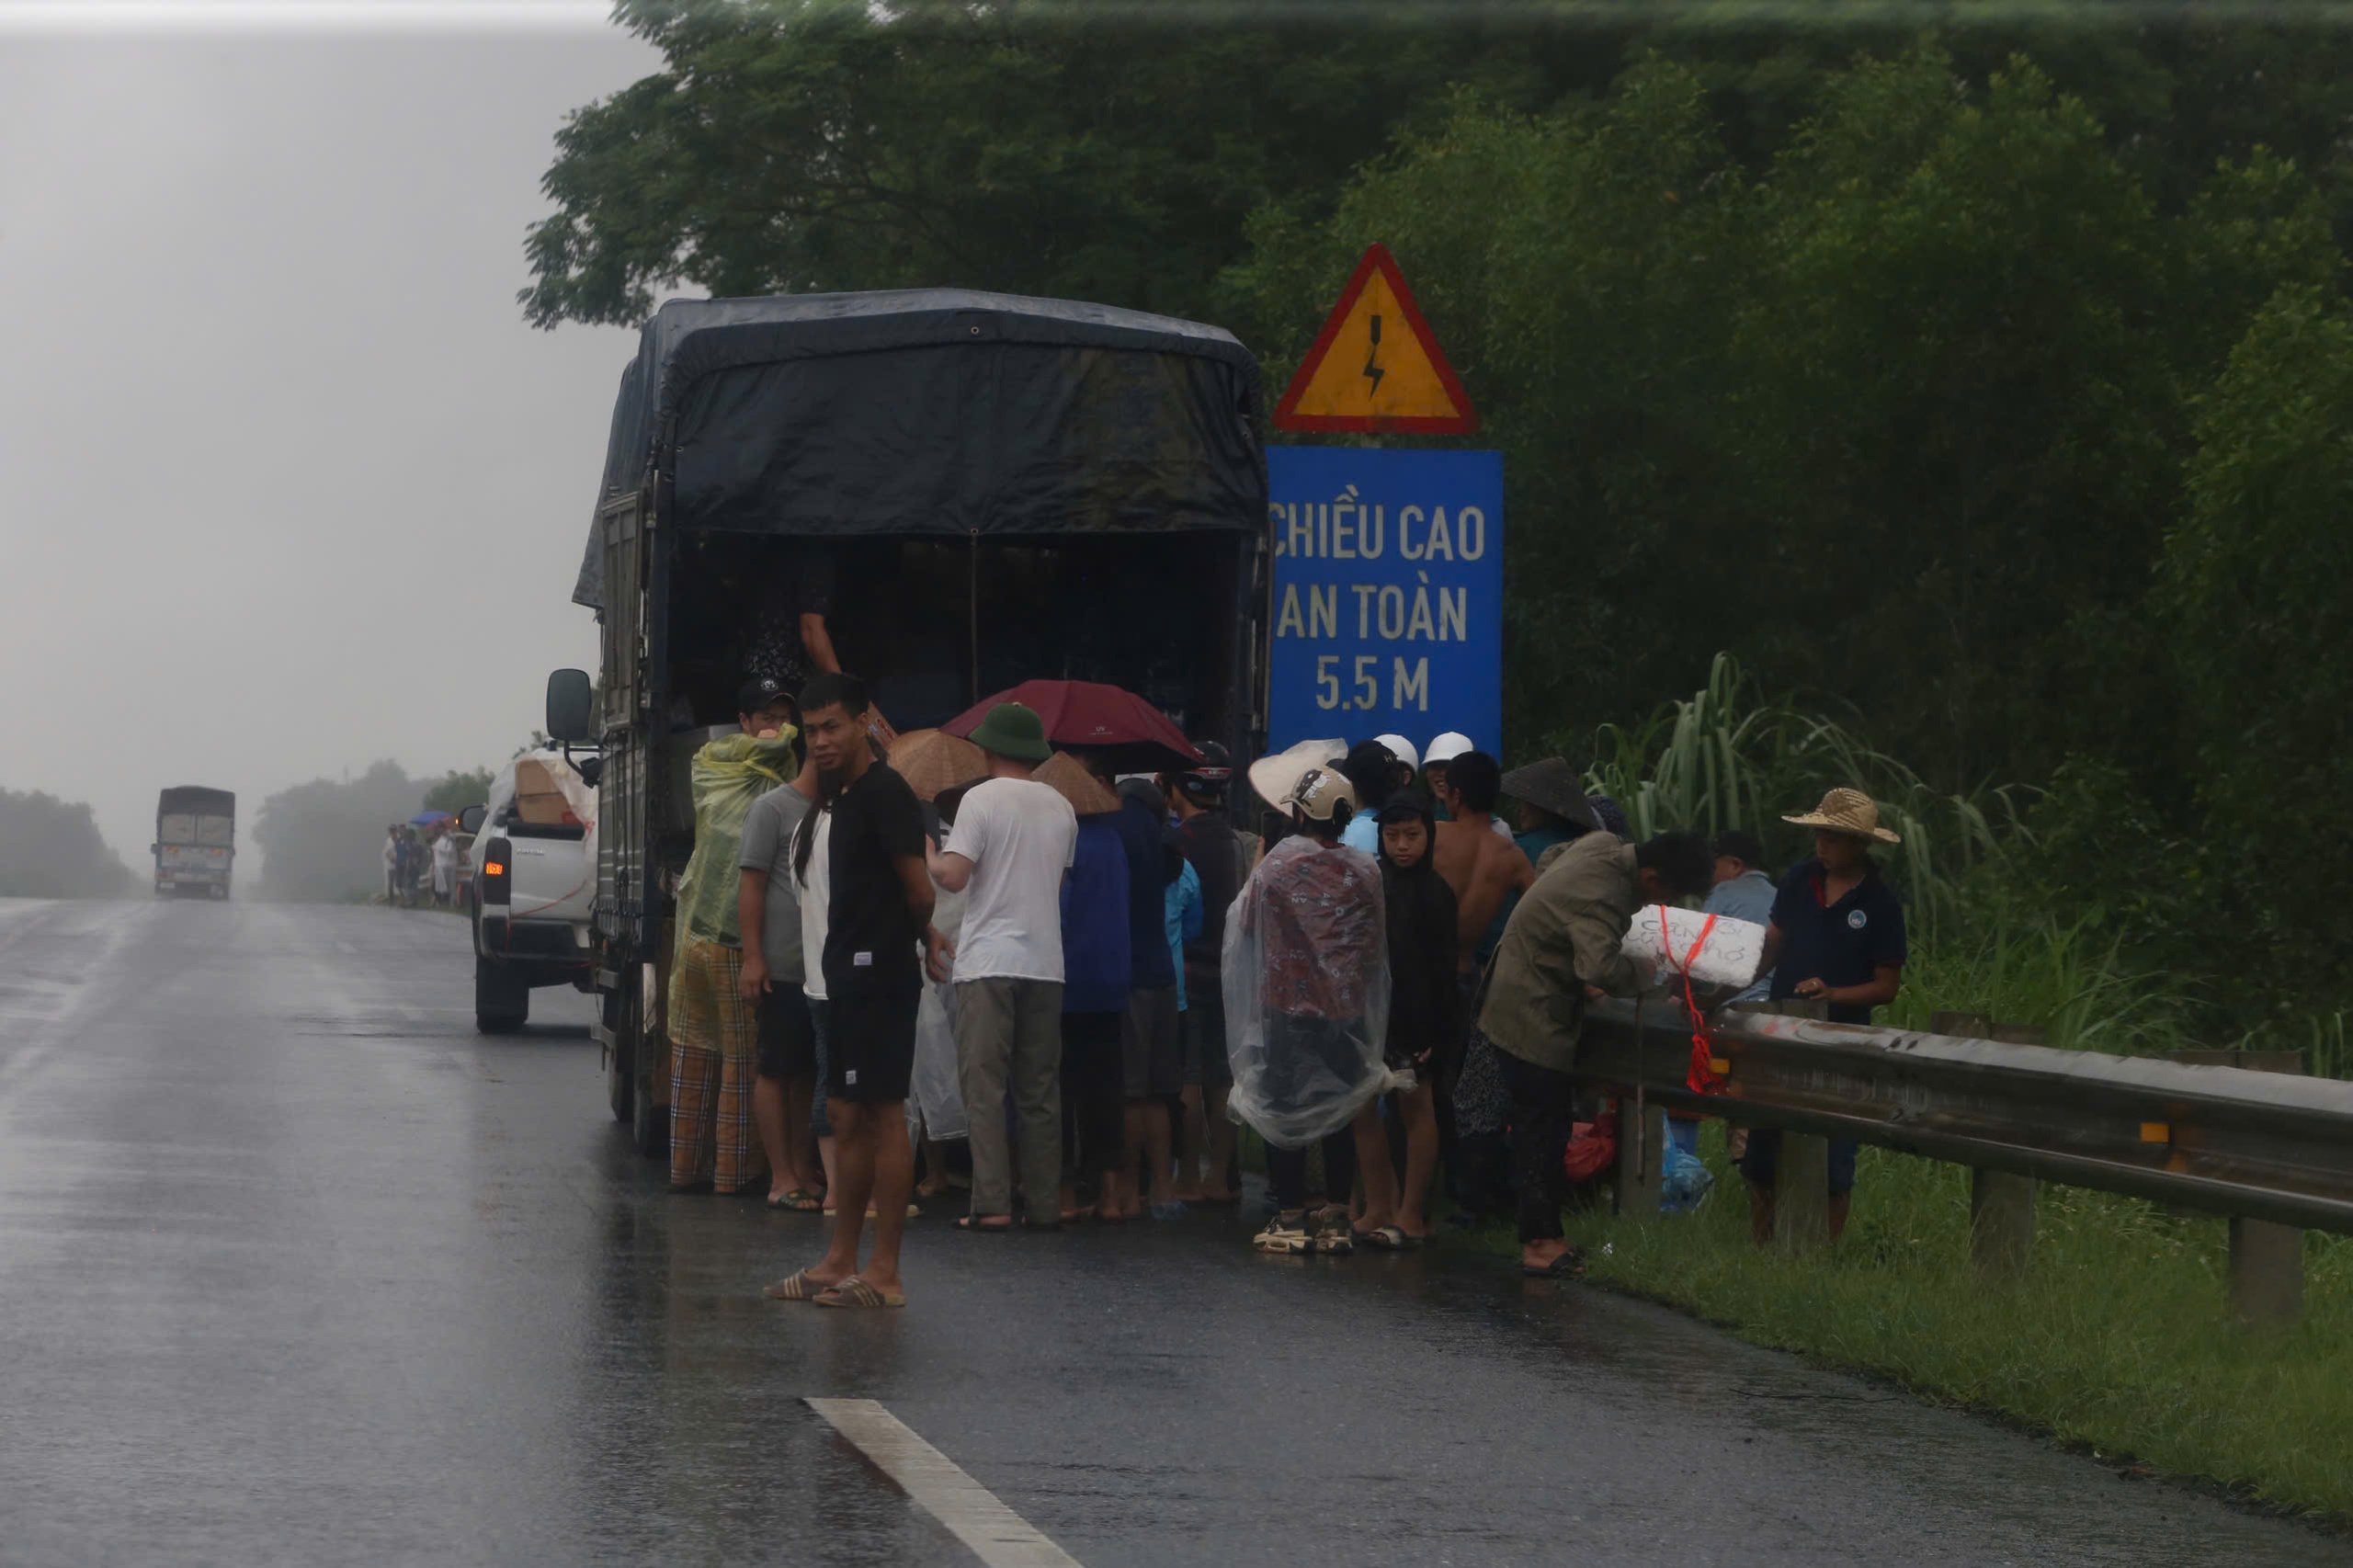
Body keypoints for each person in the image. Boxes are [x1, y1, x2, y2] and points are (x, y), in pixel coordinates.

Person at [767, 672, 934, 1309]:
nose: (822, 741)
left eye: (833, 726)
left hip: (878, 977)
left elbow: (918, 888)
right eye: (811, 731)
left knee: (882, 1115)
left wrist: (921, 939)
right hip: (838, 978)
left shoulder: (885, 793)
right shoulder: (836, 799)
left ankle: (884, 1273)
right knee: (843, 1115)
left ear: (864, 722)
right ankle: (839, 1260)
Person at [1478, 829, 1715, 1276]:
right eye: (1668, 892)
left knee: (1549, 1123)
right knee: (1541, 1131)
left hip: (1514, 980)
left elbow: (1551, 856)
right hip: (1531, 1008)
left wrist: (1556, 923)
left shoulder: (1603, 843)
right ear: (1649, 875)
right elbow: (1599, 967)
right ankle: (1539, 1242)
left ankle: (1546, 1232)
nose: (1662, 902)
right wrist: (1647, 974)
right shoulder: (1604, 895)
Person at [1225, 758, 1389, 1256]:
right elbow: (1373, 943)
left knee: (1286, 1109)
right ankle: (1338, 1217)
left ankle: (1291, 1217)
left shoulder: (1277, 865)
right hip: (1344, 1011)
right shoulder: (1366, 871)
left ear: (1300, 814)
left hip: (1286, 1009)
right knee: (1337, 1110)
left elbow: (1246, 923)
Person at [926, 703, 1077, 1233]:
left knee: (985, 1086)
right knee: (1038, 1090)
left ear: (989, 750)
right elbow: (1055, 887)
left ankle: (991, 1204)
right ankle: (1043, 1205)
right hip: (1045, 964)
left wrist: (928, 852)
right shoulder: (1063, 807)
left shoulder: (980, 799)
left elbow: (954, 878)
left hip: (989, 961)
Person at [1741, 790, 1907, 1245]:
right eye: (1818, 835)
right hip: (1782, 1024)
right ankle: (1762, 1242)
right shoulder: (1799, 880)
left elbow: (1886, 986)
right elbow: (1773, 943)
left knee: (1836, 1149)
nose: (1821, 846)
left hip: (1844, 1039)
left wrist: (1834, 993)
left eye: (1832, 838)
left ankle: (1823, 1250)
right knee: (1764, 1142)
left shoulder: (1880, 904)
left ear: (1858, 844)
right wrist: (1731, 984)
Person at [669, 677, 800, 1196]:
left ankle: (700, 1171)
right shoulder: (726, 764)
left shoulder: (718, 764)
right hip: (725, 932)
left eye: (784, 716)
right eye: (766, 717)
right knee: (733, 1056)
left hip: (701, 927)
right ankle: (730, 1175)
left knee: (702, 1048)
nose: (777, 727)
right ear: (742, 723)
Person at [1086, 756, 1184, 1220]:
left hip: (1125, 973)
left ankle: (1124, 1190)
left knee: (1126, 1090)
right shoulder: (1159, 831)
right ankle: (1163, 1188)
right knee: (1157, 1091)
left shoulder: (1115, 826)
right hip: (1163, 972)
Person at [1366, 793, 1458, 1245]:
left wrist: (1435, 1032)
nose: (1402, 845)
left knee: (1416, 1109)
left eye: (1412, 836)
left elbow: (1444, 972)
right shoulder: (1374, 882)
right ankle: (1378, 1204)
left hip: (1416, 1020)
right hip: (1372, 1016)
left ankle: (1412, 1213)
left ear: (1429, 835)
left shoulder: (1436, 892)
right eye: (1392, 836)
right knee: (1363, 1108)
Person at [738, 744, 825, 1211]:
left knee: (809, 1071)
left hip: (822, 967)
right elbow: (750, 884)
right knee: (776, 1068)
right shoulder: (770, 808)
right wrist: (754, 957)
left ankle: (802, 1169)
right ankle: (780, 1176)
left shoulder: (835, 809)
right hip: (782, 964)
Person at [1163, 743, 1244, 1205]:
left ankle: (1189, 1175)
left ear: (1177, 790)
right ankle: (1222, 1178)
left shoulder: (1175, 843)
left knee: (1189, 1077)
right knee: (1223, 1078)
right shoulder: (1236, 841)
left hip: (1189, 973)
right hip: (1229, 974)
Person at [1057, 783, 1132, 1222]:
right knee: (1106, 1088)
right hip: (1112, 977)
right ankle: (1109, 1195)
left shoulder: (1067, 842)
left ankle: (1066, 1194)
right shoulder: (1113, 841)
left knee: (1064, 1088)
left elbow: (1062, 909)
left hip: (1070, 978)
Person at [1705, 829, 1777, 1006]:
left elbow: (1697, 947)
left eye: (1712, 867)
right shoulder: (1781, 895)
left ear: (1735, 865)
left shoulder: (1725, 891)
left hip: (1736, 1001)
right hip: (1776, 1001)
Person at [430, 827, 457, 908]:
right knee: (436, 886)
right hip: (438, 866)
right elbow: (434, 855)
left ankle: (446, 902)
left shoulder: (449, 841)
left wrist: (439, 849)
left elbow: (449, 851)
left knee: (446, 886)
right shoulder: (438, 842)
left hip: (446, 866)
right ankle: (438, 902)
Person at [382, 826, 402, 905]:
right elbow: (386, 852)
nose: (393, 833)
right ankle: (391, 900)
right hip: (390, 865)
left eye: (394, 831)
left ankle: (402, 899)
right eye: (391, 831)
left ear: (396, 831)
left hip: (399, 864)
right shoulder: (388, 841)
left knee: (400, 883)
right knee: (390, 883)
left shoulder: (400, 840)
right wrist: (391, 857)